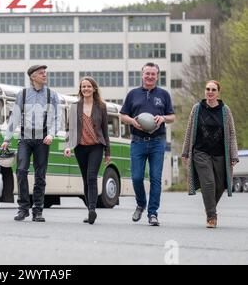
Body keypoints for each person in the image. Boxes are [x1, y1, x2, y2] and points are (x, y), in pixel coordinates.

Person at [1, 64, 60, 222]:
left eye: (45, 73)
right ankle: (23, 208)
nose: (44, 75)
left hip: (43, 140)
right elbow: (14, 117)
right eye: (41, 73)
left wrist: (52, 135)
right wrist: (7, 139)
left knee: (40, 175)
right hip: (25, 139)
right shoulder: (23, 94)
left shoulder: (52, 95)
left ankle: (38, 211)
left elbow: (57, 118)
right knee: (21, 171)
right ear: (33, 77)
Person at [120, 62, 175, 226]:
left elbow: (172, 116)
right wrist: (132, 121)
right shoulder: (133, 94)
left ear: (157, 76)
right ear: (142, 75)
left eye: (153, 74)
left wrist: (163, 118)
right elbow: (123, 115)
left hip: (157, 142)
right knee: (136, 177)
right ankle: (141, 203)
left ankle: (153, 213)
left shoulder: (164, 94)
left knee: (155, 178)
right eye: (147, 74)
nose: (150, 76)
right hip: (138, 142)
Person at [181, 80, 239, 228]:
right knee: (208, 183)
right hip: (201, 152)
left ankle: (209, 207)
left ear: (218, 92)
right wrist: (186, 152)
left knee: (220, 185)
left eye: (213, 89)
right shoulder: (197, 109)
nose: (210, 92)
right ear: (205, 91)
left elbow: (231, 133)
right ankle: (211, 216)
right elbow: (189, 131)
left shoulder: (225, 111)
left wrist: (233, 155)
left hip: (220, 154)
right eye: (208, 89)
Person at [64, 77, 111, 224]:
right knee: (85, 179)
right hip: (80, 147)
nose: (86, 89)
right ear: (80, 89)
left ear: (94, 89)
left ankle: (92, 210)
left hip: (96, 146)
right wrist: (67, 145)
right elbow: (69, 129)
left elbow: (105, 130)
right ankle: (89, 209)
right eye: (83, 87)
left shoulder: (101, 107)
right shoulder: (74, 107)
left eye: (88, 86)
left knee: (92, 177)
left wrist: (107, 151)